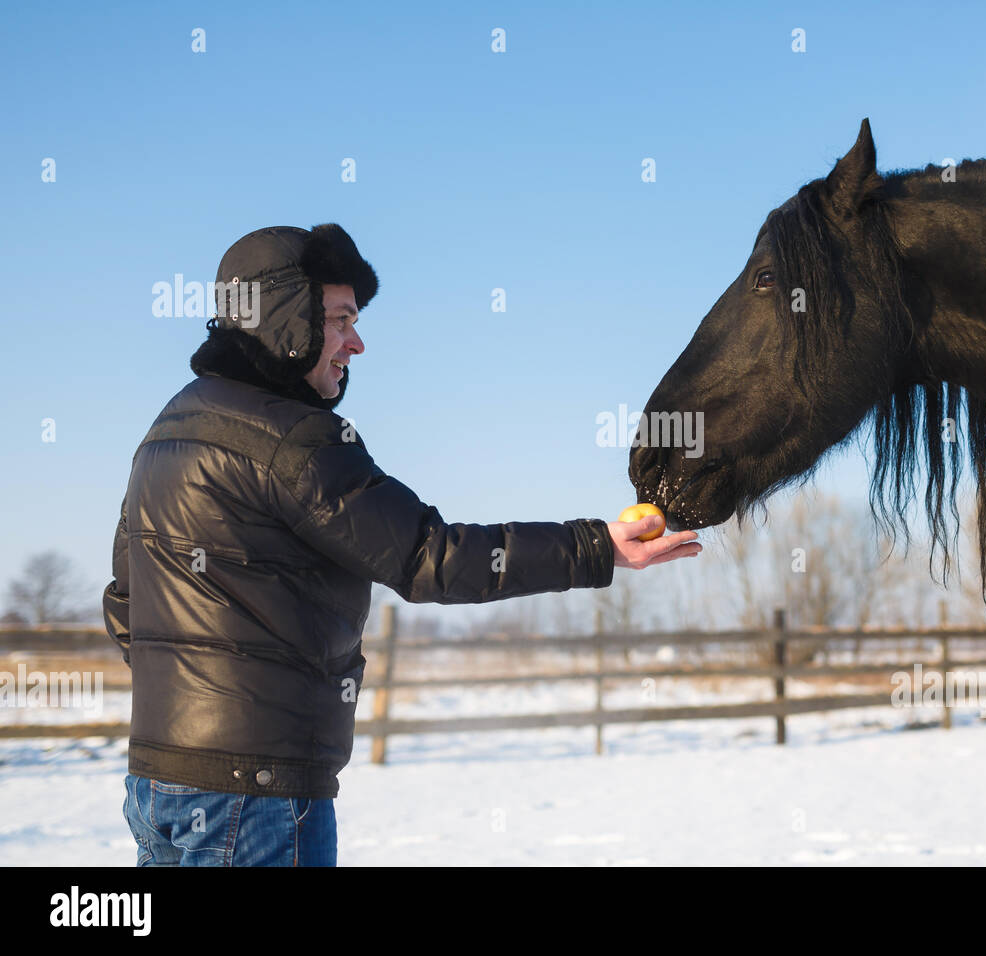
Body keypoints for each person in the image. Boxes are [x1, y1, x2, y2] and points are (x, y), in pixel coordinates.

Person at [103, 224, 701, 866]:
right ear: (286, 321)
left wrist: (194, 705)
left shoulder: (166, 434)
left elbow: (124, 603)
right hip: (258, 795)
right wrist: (596, 547)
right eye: (339, 321)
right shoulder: (296, 440)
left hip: (158, 783)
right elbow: (428, 556)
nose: (355, 343)